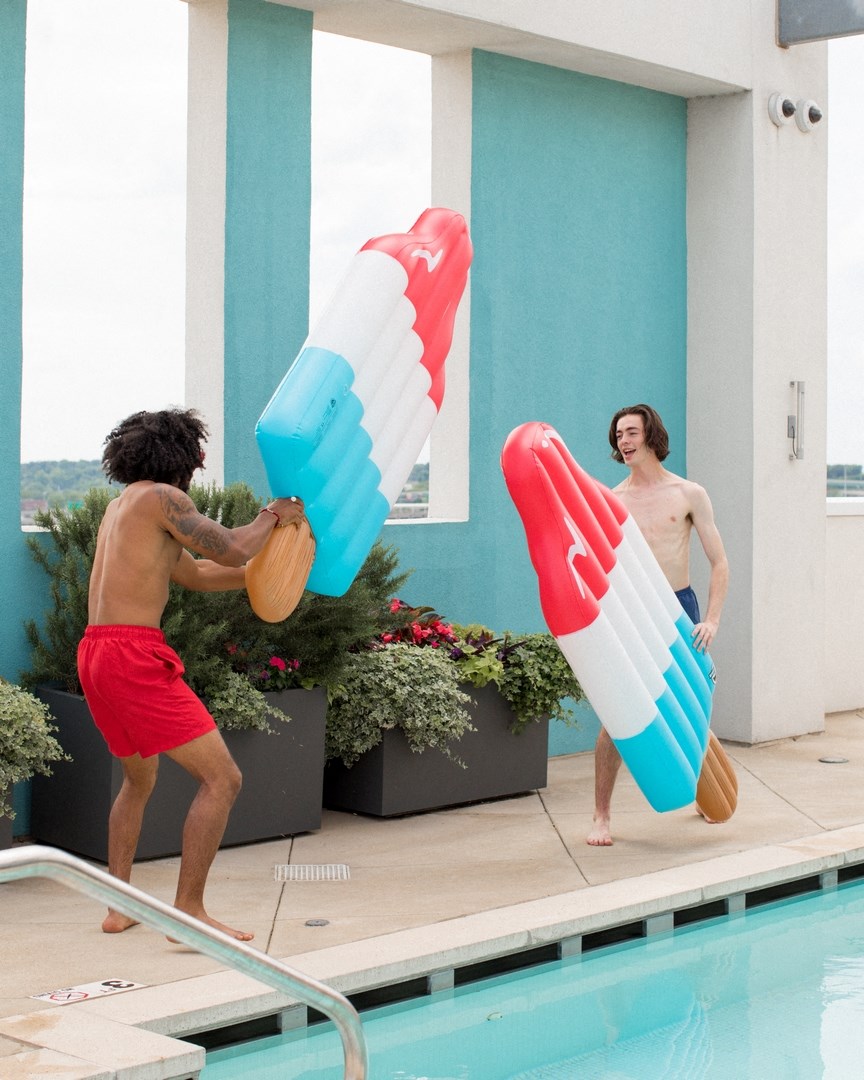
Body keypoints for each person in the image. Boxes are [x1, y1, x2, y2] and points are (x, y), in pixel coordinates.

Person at [78, 407, 305, 938]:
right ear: (180, 458)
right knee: (223, 778)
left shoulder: (122, 508)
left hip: (96, 653)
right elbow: (232, 545)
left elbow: (201, 575)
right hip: (134, 655)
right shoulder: (163, 498)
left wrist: (276, 576)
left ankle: (119, 906)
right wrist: (275, 515)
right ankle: (189, 911)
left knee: (139, 779)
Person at [587, 404, 729, 846]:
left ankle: (704, 795)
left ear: (651, 436)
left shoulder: (689, 494)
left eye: (630, 432)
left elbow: (719, 562)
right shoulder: (613, 501)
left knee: (693, 704)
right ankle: (601, 816)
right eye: (618, 435)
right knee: (616, 717)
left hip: (679, 609)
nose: (622, 441)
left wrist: (711, 620)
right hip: (634, 611)